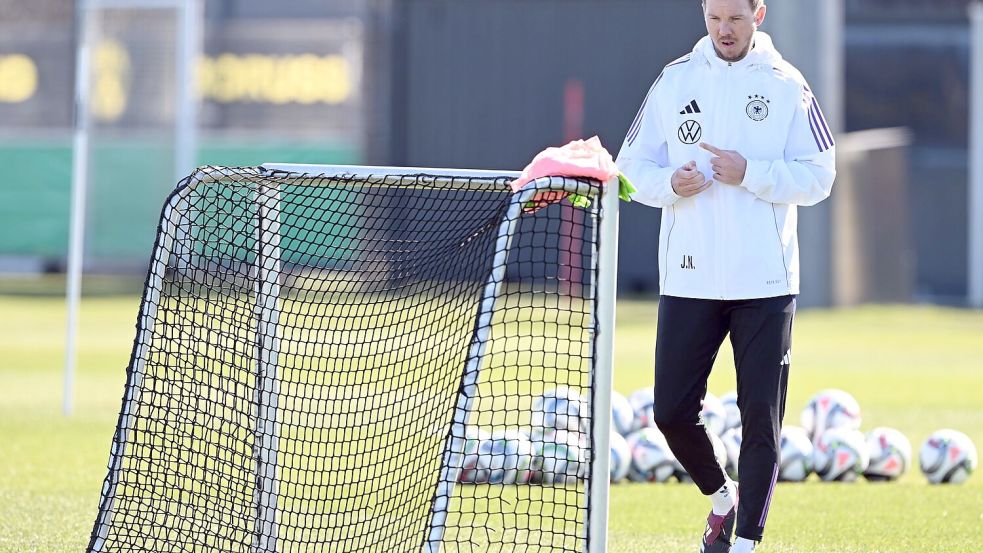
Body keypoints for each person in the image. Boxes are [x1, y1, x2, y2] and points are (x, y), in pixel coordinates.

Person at [615, 0, 836, 551]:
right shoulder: (674, 80)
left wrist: (752, 174)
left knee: (760, 420)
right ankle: (722, 500)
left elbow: (821, 175)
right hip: (690, 279)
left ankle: (744, 545)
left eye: (735, 18)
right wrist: (672, 183)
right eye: (714, 18)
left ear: (759, 13)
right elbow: (629, 169)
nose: (724, 30)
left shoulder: (788, 85)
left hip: (765, 283)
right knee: (670, 412)